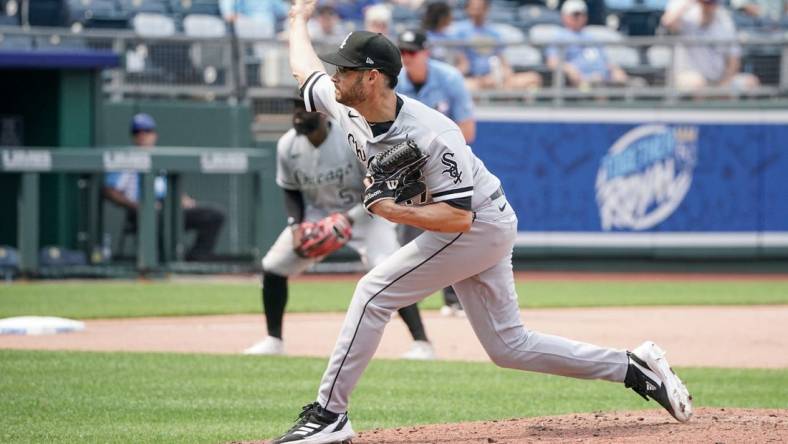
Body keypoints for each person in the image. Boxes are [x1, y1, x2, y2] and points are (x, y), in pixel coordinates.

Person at [270, 0, 693, 442]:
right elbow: (305, 71)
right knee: (509, 346)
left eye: (346, 69)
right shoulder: (347, 106)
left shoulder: (432, 133)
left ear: (372, 77)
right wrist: (298, 19)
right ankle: (633, 366)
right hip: (474, 224)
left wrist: (392, 210)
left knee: (373, 293)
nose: (335, 75)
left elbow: (457, 218)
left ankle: (329, 414)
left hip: (478, 224)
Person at [243, 98, 436, 360]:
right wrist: (296, 226)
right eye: (295, 109)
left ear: (323, 114)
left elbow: (379, 184)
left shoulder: (350, 139)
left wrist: (350, 219)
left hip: (367, 213)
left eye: (304, 109)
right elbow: (290, 191)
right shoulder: (287, 145)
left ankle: (422, 344)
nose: (298, 115)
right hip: (317, 217)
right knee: (274, 266)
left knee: (390, 269)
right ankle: (273, 340)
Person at [395, 28, 476, 316]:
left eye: (412, 52)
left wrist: (429, 146)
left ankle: (454, 299)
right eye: (402, 52)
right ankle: (403, 302)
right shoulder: (395, 81)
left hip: (447, 165)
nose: (406, 58)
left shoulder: (449, 78)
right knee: (407, 235)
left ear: (426, 52)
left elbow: (468, 130)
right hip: (408, 168)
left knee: (452, 228)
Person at [102, 113, 225, 262]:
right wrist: (139, 206)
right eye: (137, 132)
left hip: (169, 209)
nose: (142, 136)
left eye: (147, 131)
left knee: (214, 215)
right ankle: (160, 262)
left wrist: (183, 200)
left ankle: (197, 258)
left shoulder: (160, 158)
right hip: (143, 212)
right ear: (133, 136)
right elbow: (109, 191)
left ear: (154, 135)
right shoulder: (126, 160)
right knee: (157, 218)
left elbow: (167, 187)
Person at [660, 0, 760, 93]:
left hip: (718, 80)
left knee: (750, 82)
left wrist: (724, 83)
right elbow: (668, 22)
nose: (709, 4)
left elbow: (734, 60)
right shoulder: (686, 14)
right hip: (687, 77)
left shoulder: (725, 20)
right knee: (698, 83)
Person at [450, 0, 542, 91]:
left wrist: (505, 75)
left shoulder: (494, 33)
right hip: (474, 79)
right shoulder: (460, 31)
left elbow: (502, 59)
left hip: (494, 77)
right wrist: (480, 79)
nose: (477, 10)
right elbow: (463, 64)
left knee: (534, 78)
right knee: (466, 86)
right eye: (474, 7)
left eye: (480, 7)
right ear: (467, 9)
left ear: (487, 9)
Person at [545, 0, 628, 89]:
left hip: (604, 79)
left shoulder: (592, 36)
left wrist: (615, 70)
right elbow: (552, 62)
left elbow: (605, 61)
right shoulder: (560, 37)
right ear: (564, 16)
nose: (579, 17)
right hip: (580, 83)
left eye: (582, 14)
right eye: (575, 15)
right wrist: (569, 69)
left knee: (627, 82)